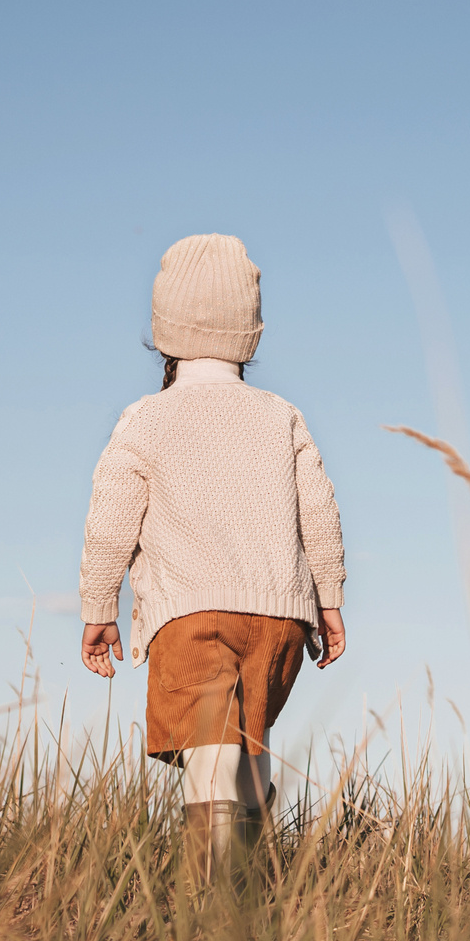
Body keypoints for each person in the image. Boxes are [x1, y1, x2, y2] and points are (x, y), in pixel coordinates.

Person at [77, 232, 348, 881]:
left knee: (209, 756)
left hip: (192, 612)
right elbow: (321, 510)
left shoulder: (145, 418)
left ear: (164, 331)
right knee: (249, 747)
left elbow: (111, 519)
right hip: (279, 617)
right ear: (251, 330)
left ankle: (217, 900)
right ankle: (258, 876)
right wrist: (329, 597)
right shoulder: (282, 414)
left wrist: (97, 606)